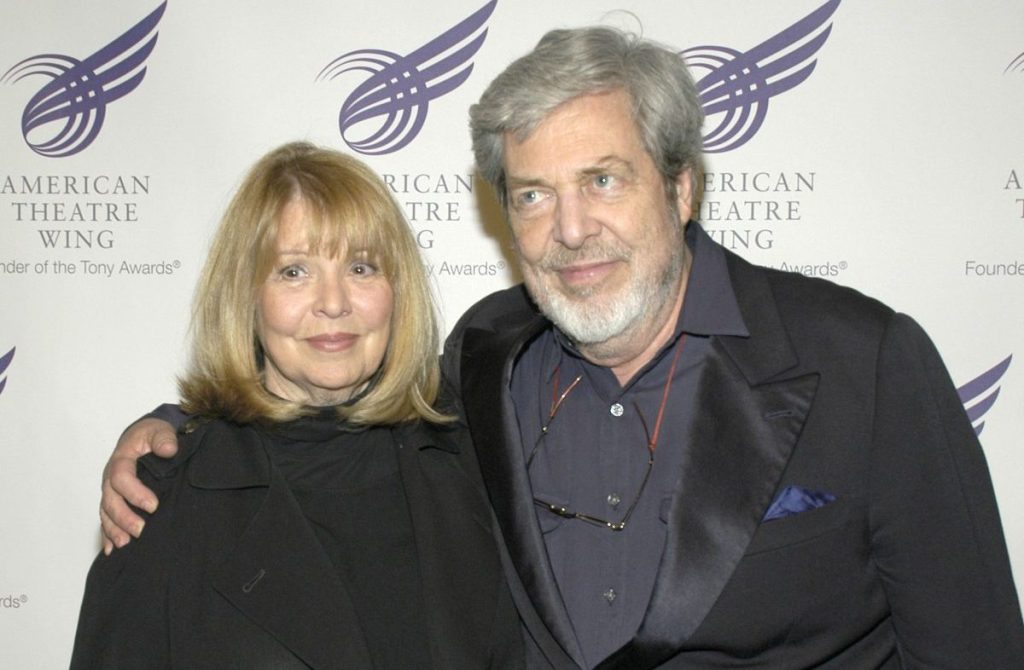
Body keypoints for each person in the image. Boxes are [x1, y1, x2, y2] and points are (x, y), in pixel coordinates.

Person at [98, 28, 1024, 669]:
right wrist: (176, 428)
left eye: (603, 179)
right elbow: (328, 406)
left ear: (681, 187)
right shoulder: (481, 361)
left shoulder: (863, 362)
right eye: (533, 194)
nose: (570, 229)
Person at [71, 142, 522, 669]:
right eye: (293, 272)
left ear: (398, 289)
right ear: (246, 295)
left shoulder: (474, 459)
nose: (333, 302)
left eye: (361, 268)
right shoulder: (161, 502)